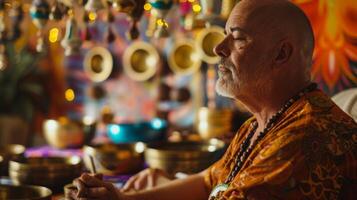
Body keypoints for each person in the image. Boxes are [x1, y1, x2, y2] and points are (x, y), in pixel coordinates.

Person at [69, 0, 357, 199]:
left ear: (281, 54)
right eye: (224, 37)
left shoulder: (305, 137)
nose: (219, 48)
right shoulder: (262, 123)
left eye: (238, 38)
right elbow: (211, 180)